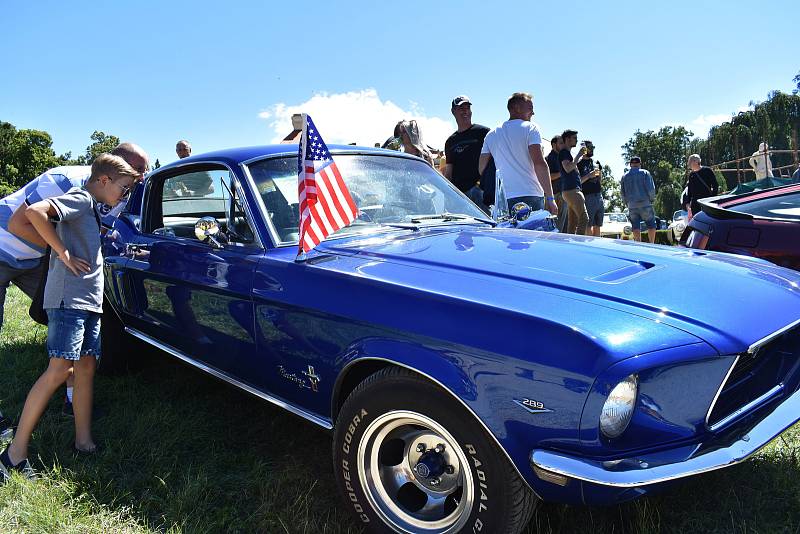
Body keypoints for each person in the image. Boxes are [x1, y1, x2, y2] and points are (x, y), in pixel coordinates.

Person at [0, 154, 140, 480]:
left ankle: (83, 441)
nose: (125, 194)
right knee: (59, 370)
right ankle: (14, 455)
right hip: (69, 301)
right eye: (124, 187)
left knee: (87, 366)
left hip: (88, 302)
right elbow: (34, 213)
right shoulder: (79, 197)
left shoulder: (93, 207)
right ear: (104, 180)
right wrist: (62, 253)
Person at [478, 92, 557, 215]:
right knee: (532, 234)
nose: (533, 112)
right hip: (531, 194)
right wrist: (551, 198)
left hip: (503, 199)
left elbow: (481, 169)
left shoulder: (491, 134)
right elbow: (539, 163)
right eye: (530, 108)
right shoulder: (531, 128)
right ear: (517, 108)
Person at [443, 95, 490, 212]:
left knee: (486, 229)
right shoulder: (450, 141)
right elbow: (449, 171)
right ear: (453, 112)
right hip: (458, 196)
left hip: (480, 192)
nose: (465, 111)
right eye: (461, 108)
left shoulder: (484, 132)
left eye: (467, 108)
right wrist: (448, 193)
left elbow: (497, 160)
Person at [559, 130, 590, 235]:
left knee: (572, 222)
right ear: (567, 139)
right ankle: (579, 244)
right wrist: (579, 155)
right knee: (584, 218)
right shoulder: (564, 153)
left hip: (570, 190)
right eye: (574, 138)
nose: (577, 140)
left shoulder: (567, 153)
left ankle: (570, 244)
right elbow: (567, 168)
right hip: (572, 190)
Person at [620, 156, 657, 243]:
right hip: (645, 204)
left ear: (630, 164)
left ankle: (638, 243)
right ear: (640, 164)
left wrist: (627, 203)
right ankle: (651, 243)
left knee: (635, 227)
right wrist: (651, 199)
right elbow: (651, 189)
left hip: (632, 205)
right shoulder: (645, 173)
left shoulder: (625, 176)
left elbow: (622, 193)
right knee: (651, 225)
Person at [577, 141, 603, 236]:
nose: (592, 149)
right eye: (590, 147)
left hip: (599, 196)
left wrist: (599, 176)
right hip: (587, 196)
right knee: (588, 224)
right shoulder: (578, 164)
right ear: (583, 148)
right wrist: (588, 176)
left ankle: (597, 245)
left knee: (598, 224)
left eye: (593, 147)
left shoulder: (596, 162)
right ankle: (589, 244)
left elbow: (599, 178)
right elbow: (577, 182)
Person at [686, 154, 719, 218]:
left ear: (696, 161)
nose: (689, 164)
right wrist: (687, 203)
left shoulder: (707, 171)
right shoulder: (691, 175)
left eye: (690, 162)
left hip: (706, 203)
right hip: (695, 205)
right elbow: (689, 190)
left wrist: (713, 199)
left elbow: (715, 185)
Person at [545, 135, 568, 232]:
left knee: (562, 228)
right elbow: (548, 177)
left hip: (563, 194)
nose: (563, 145)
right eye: (561, 143)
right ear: (554, 145)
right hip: (553, 196)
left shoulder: (562, 158)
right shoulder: (549, 158)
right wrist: (562, 172)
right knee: (553, 227)